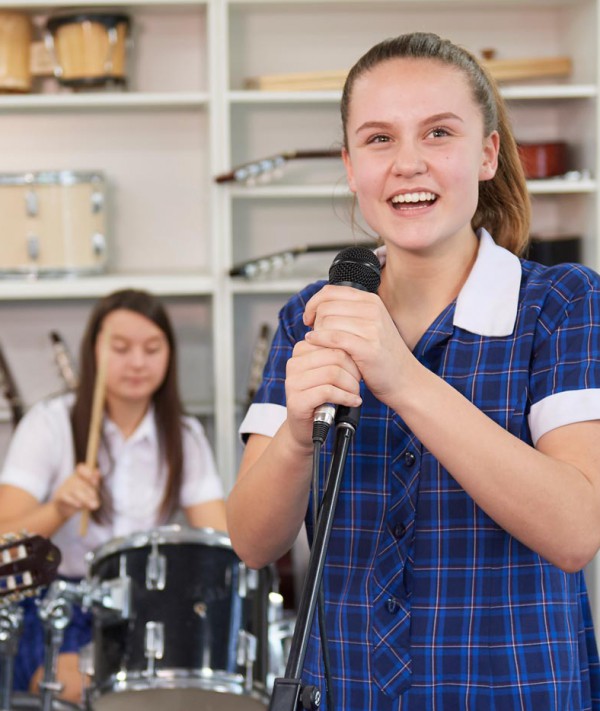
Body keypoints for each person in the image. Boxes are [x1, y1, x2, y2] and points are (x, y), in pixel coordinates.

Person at [225, 32, 600, 709]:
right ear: (349, 166)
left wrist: (401, 377)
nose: (407, 163)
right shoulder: (311, 316)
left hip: (516, 691)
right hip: (346, 691)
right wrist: (296, 438)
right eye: (378, 139)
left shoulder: (562, 304)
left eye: (438, 133)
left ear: (487, 154)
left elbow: (576, 529)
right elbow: (252, 541)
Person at [0, 288, 227, 703]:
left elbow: (224, 539)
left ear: (169, 355)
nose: (137, 362)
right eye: (120, 348)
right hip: (60, 606)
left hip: (146, 611)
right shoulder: (49, 424)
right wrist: (59, 507)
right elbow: (4, 542)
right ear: (93, 352)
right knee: (87, 690)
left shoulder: (185, 436)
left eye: (152, 348)